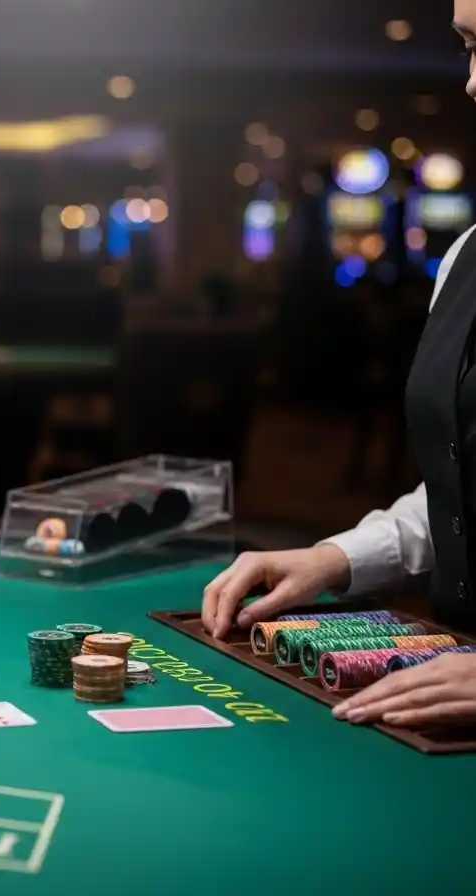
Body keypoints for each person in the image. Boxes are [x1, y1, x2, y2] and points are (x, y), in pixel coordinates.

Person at [201, 1, 476, 731]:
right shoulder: (464, 256)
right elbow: (463, 489)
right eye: (467, 47)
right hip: (443, 692)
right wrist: (334, 558)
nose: (472, 84)